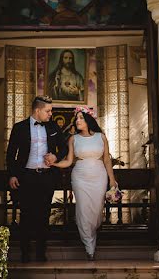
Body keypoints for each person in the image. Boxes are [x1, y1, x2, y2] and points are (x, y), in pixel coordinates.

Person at [49, 106, 118, 261]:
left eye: (80, 118)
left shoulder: (101, 137)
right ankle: (89, 247)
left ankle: (91, 236)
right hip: (80, 177)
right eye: (77, 118)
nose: (77, 121)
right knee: (83, 210)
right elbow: (68, 161)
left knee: (96, 212)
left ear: (88, 120)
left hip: (99, 176)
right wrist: (53, 164)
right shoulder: (74, 139)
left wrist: (112, 180)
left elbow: (107, 159)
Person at [6, 95, 68, 262]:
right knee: (26, 215)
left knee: (44, 215)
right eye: (48, 111)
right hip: (26, 177)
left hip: (47, 177)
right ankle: (25, 253)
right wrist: (12, 174)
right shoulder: (19, 127)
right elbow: (11, 153)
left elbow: (64, 147)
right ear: (37, 110)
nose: (50, 114)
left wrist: (55, 156)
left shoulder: (54, 126)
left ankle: (41, 252)